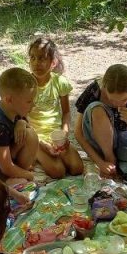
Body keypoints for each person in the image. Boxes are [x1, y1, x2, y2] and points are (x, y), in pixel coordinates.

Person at [27, 37, 84, 178]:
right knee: (58, 171)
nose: (36, 63)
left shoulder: (59, 82)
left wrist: (64, 133)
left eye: (42, 58)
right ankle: (35, 151)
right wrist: (40, 142)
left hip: (55, 135)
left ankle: (49, 153)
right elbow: (22, 118)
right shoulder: (26, 84)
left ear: (53, 63)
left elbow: (66, 112)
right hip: (35, 137)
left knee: (77, 168)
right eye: (32, 58)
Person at [0, 67, 40, 182]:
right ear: (9, 100)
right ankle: (18, 174)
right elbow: (6, 167)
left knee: (30, 134)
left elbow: (28, 126)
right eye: (29, 101)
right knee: (31, 135)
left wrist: (22, 122)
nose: (33, 105)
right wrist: (29, 175)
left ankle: (20, 172)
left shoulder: (13, 109)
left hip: (11, 156)